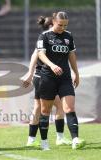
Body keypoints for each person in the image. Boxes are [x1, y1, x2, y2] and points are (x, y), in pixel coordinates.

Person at [36, 11, 85, 150]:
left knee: (69, 108)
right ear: (53, 21)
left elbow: (71, 55)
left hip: (65, 78)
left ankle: (75, 139)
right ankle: (44, 142)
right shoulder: (44, 36)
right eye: (60, 25)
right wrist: (52, 65)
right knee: (45, 111)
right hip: (47, 78)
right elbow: (40, 53)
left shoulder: (68, 36)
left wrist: (76, 73)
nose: (62, 28)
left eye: (65, 25)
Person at [22, 16, 71, 148]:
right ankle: (59, 137)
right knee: (58, 106)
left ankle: (31, 139)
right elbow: (35, 55)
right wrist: (30, 73)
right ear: (51, 25)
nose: (60, 28)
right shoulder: (46, 39)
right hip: (44, 77)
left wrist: (31, 74)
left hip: (39, 77)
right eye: (58, 25)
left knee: (38, 107)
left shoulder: (47, 39)